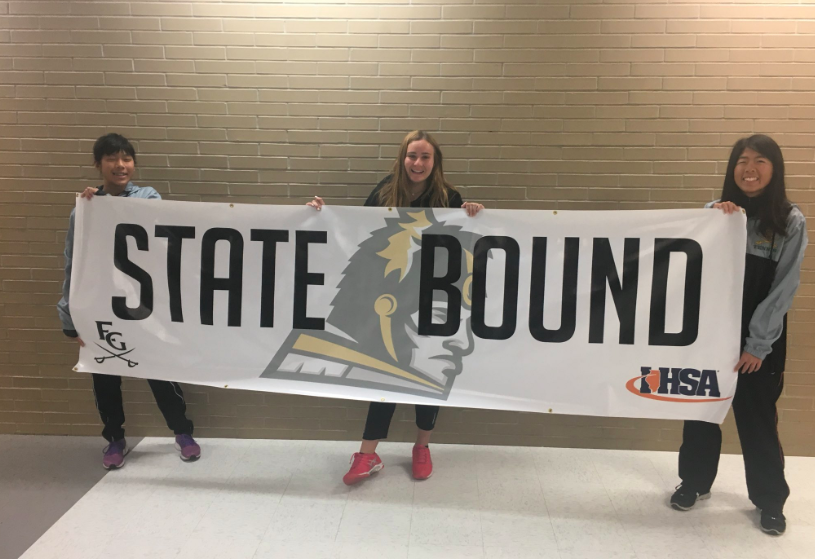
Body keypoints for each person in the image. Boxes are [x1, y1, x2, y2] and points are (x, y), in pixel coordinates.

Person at [307, 130, 484, 485]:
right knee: (386, 372)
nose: (418, 163)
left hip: (434, 299)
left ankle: (422, 447)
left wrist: (472, 212)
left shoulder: (450, 196)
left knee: (429, 375)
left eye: (425, 157)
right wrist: (322, 215)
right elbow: (356, 231)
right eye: (412, 156)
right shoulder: (385, 191)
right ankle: (368, 453)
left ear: (435, 162)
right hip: (390, 297)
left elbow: (460, 244)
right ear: (402, 158)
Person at [670, 135, 807, 536]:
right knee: (700, 412)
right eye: (742, 160)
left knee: (757, 421)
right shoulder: (714, 214)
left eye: (760, 161)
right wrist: (716, 218)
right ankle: (693, 483)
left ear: (774, 168)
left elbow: (784, 288)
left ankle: (770, 501)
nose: (749, 168)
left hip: (758, 346)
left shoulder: (789, 221)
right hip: (709, 338)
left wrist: (756, 345)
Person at [57, 133, 201, 470]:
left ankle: (182, 433)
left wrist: (102, 205)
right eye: (111, 159)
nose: (120, 165)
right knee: (105, 377)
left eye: (126, 158)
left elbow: (155, 219)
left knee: (160, 371)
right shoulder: (83, 211)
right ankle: (114, 440)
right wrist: (69, 321)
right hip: (101, 307)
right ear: (99, 165)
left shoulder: (147, 197)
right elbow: (72, 264)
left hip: (144, 307)